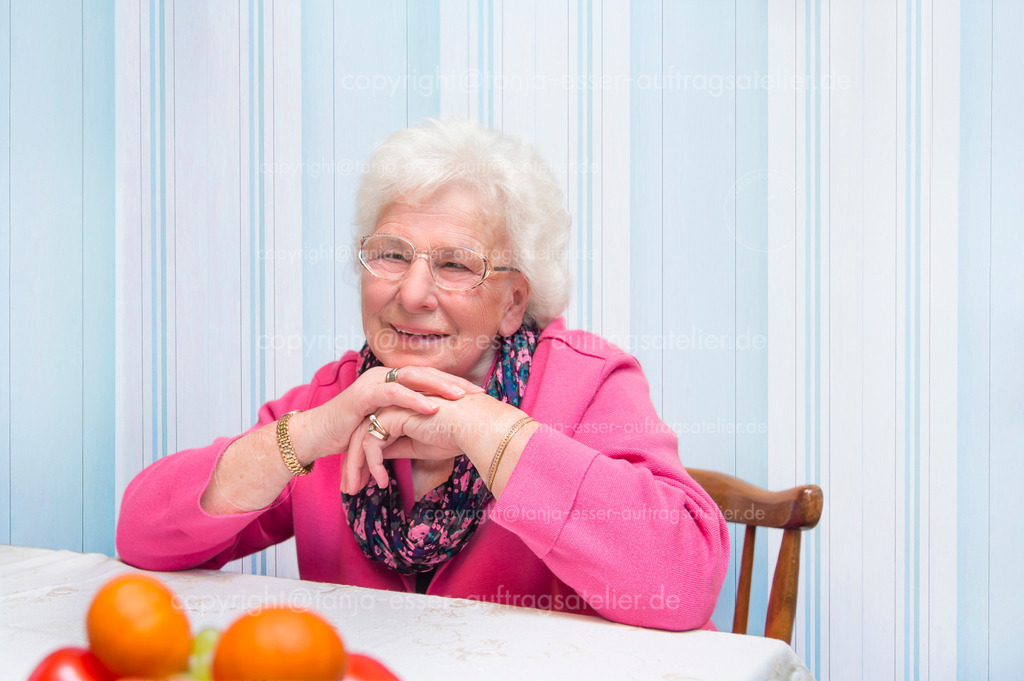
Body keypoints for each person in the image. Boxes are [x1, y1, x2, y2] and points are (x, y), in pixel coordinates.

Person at [116, 118, 729, 631]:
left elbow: (685, 579)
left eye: (456, 265)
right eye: (390, 254)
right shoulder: (341, 396)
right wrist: (309, 435)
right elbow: (143, 536)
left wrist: (480, 427)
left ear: (515, 300)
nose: (412, 294)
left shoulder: (587, 383)